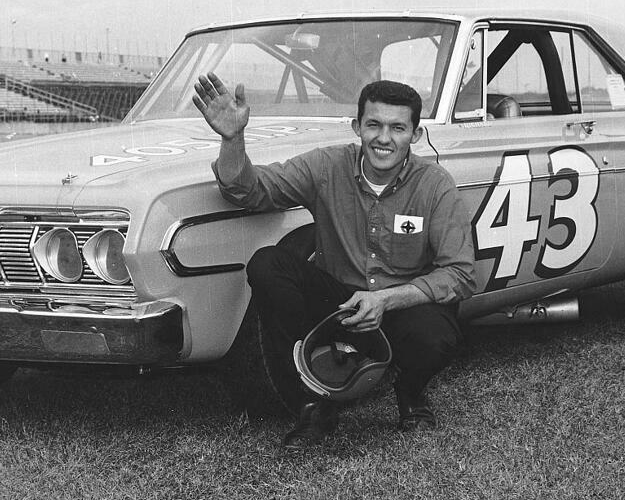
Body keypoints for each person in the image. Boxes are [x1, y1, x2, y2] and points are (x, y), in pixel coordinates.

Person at [193, 73, 476, 447]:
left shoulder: (435, 184)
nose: (384, 138)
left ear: (416, 135)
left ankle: (411, 392)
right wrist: (232, 138)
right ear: (356, 126)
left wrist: (385, 300)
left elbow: (460, 274)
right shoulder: (327, 166)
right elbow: (251, 191)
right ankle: (312, 405)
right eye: (373, 125)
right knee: (268, 264)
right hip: (338, 302)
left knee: (434, 335)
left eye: (397, 128)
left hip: (400, 306)